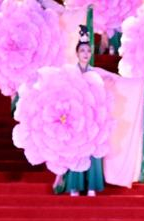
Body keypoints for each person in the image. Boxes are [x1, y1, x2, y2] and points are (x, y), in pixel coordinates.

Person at [54, 26, 106, 197]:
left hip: (92, 118)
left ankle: (92, 185)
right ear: (76, 53)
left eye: (88, 51)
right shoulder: (70, 73)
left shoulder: (95, 74)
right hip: (74, 118)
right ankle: (74, 185)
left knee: (92, 149)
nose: (85, 53)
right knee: (75, 151)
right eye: (82, 50)